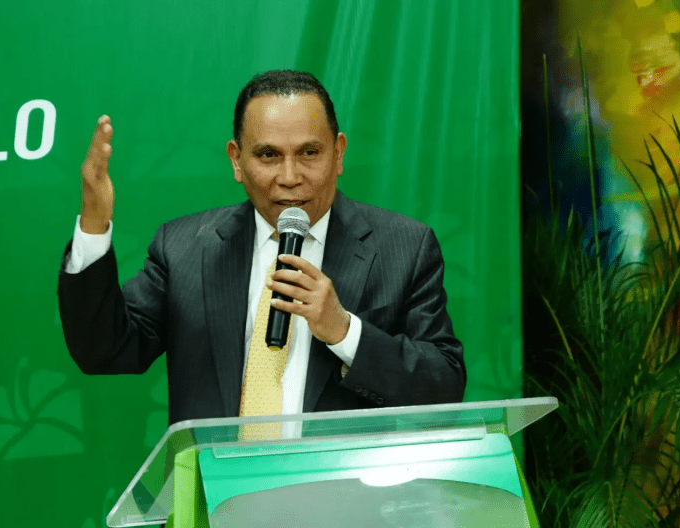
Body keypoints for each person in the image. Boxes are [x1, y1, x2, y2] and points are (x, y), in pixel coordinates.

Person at [57, 70, 465, 427]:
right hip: (220, 488)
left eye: (309, 153)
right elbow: (104, 351)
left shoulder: (404, 247)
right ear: (237, 160)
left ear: (338, 153)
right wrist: (93, 223)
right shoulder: (183, 249)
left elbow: (444, 387)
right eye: (269, 155)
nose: (290, 177)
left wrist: (345, 331)